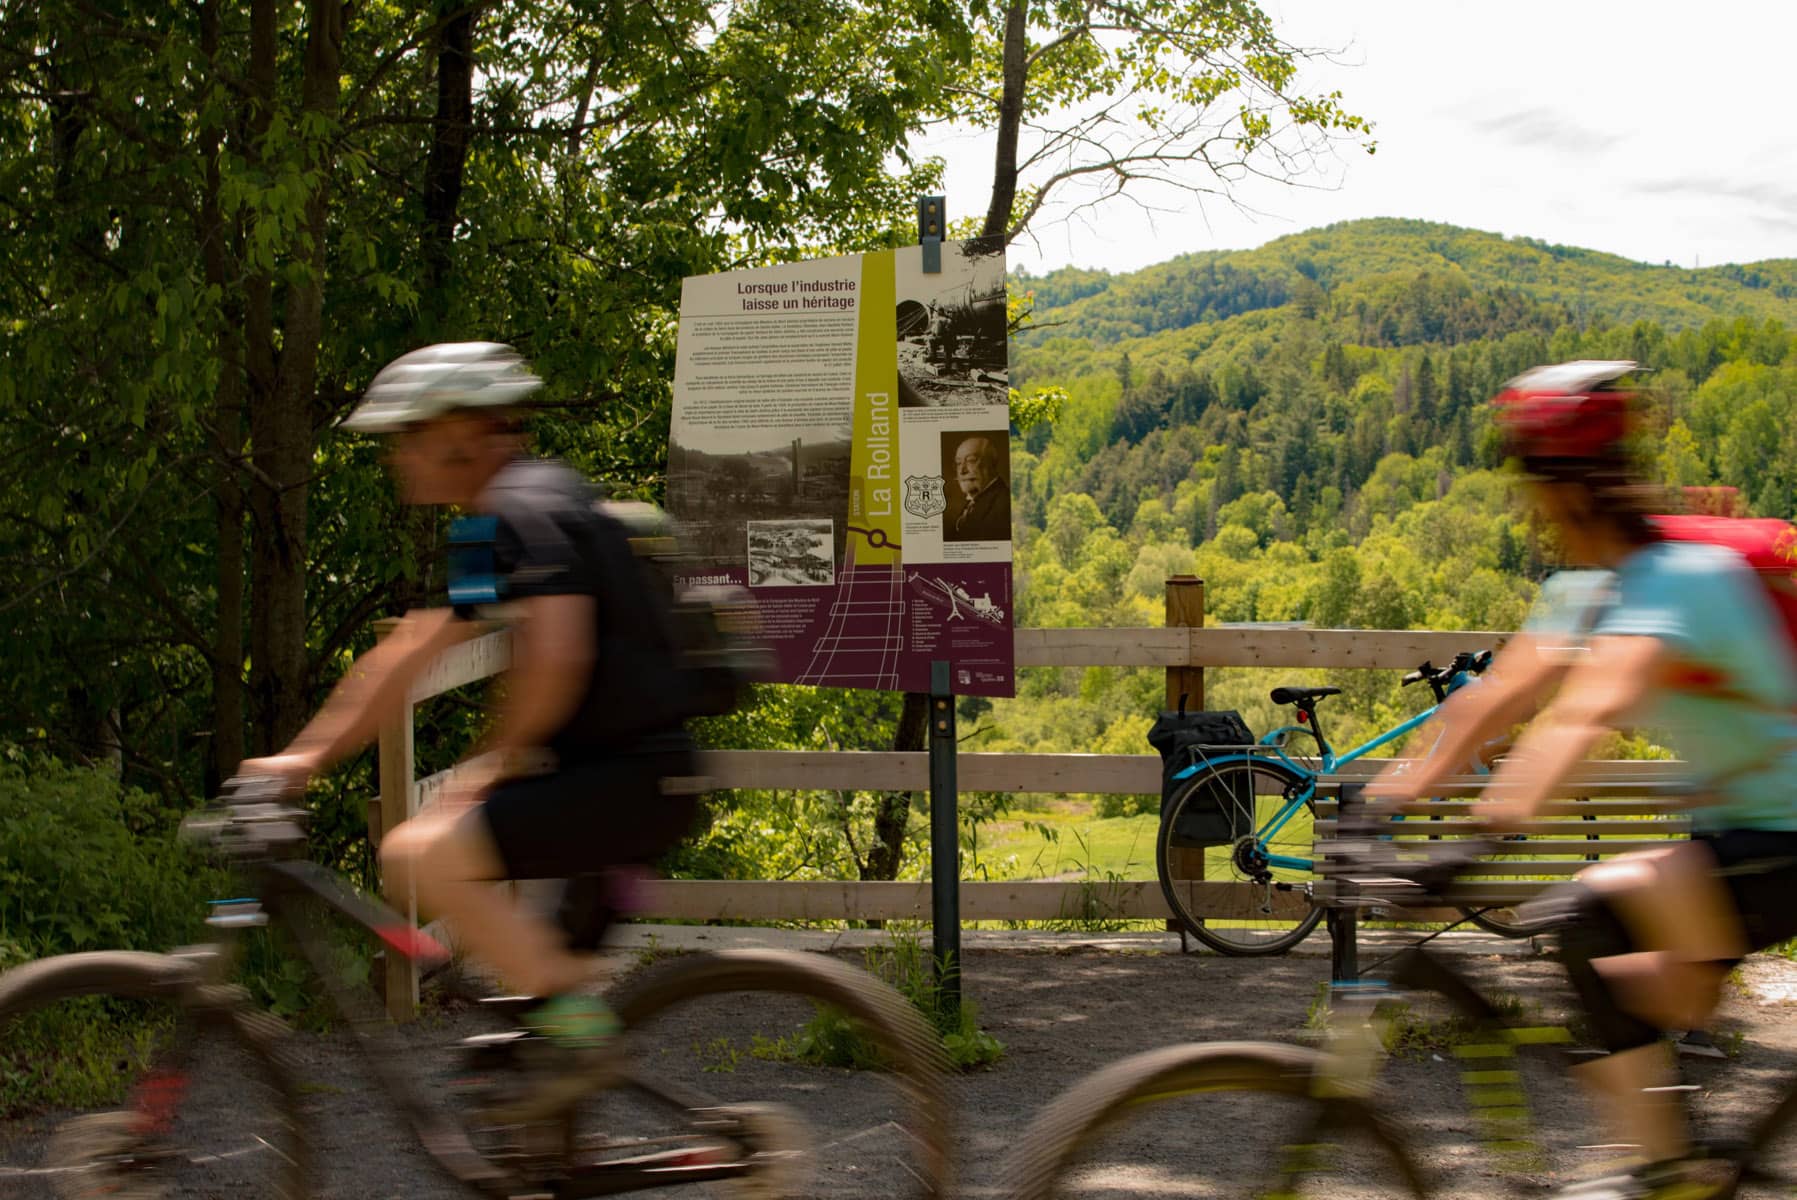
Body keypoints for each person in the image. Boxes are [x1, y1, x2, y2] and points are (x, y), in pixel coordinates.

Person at [1371, 360, 1797, 1200]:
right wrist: (1383, 798)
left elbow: (1583, 714)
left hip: (1786, 835)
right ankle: (1678, 1155)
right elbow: (1493, 699)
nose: (1526, 504)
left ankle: (1669, 1174)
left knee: (1588, 917)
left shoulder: (1677, 579)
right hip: (1735, 834)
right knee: (1604, 969)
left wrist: (1482, 836)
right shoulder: (1583, 586)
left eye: (1529, 482)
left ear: (1562, 490)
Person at [238, 342, 700, 1095]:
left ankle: (586, 1049)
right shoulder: (510, 513)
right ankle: (551, 1110)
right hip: (639, 779)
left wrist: (485, 768)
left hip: (629, 784)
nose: (398, 455)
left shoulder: (521, 510)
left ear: (462, 431)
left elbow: (556, 656)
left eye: (409, 435)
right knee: (537, 1013)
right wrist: (304, 758)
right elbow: (412, 649)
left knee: (419, 855)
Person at [945, 434, 1010, 542]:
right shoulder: (973, 504)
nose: (962, 471)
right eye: (958, 463)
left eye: (971, 460)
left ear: (991, 464)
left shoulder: (1004, 505)